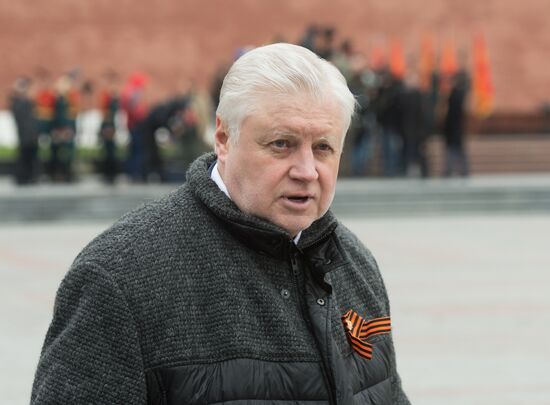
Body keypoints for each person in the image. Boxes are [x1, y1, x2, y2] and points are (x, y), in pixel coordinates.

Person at [31, 43, 409, 404]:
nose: (307, 170)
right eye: (281, 143)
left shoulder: (354, 262)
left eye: (323, 147)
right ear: (224, 138)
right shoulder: (120, 277)